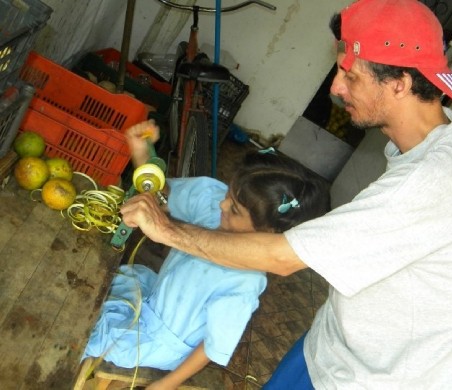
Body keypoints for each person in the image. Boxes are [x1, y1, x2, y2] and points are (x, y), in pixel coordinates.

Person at [119, 0, 452, 388]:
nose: (337, 88)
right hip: (335, 351)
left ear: (400, 84)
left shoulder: (436, 180)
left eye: (352, 76)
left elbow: (282, 257)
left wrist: (166, 230)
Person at [81, 120, 330, 389]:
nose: (222, 204)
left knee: (84, 333)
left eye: (234, 208)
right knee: (87, 289)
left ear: (268, 235)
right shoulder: (215, 205)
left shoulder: (243, 284)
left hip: (155, 339)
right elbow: (164, 195)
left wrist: (163, 386)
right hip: (149, 296)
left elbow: (212, 347)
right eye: (228, 193)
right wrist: (143, 154)